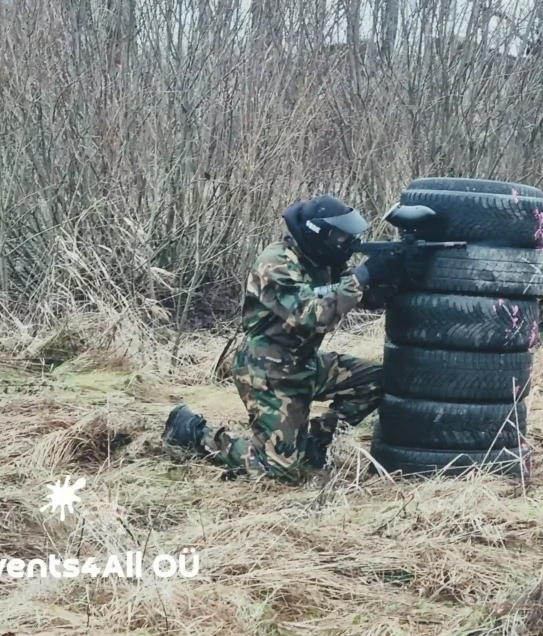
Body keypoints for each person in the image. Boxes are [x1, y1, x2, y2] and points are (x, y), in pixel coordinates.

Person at [162, 195, 404, 483]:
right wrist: (363, 276)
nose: (346, 244)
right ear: (319, 234)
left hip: (305, 362)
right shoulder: (276, 263)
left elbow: (360, 298)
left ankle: (314, 445)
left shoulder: (321, 260)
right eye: (340, 237)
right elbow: (311, 315)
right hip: (267, 371)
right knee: (280, 471)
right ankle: (193, 432)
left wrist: (393, 276)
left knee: (379, 379)